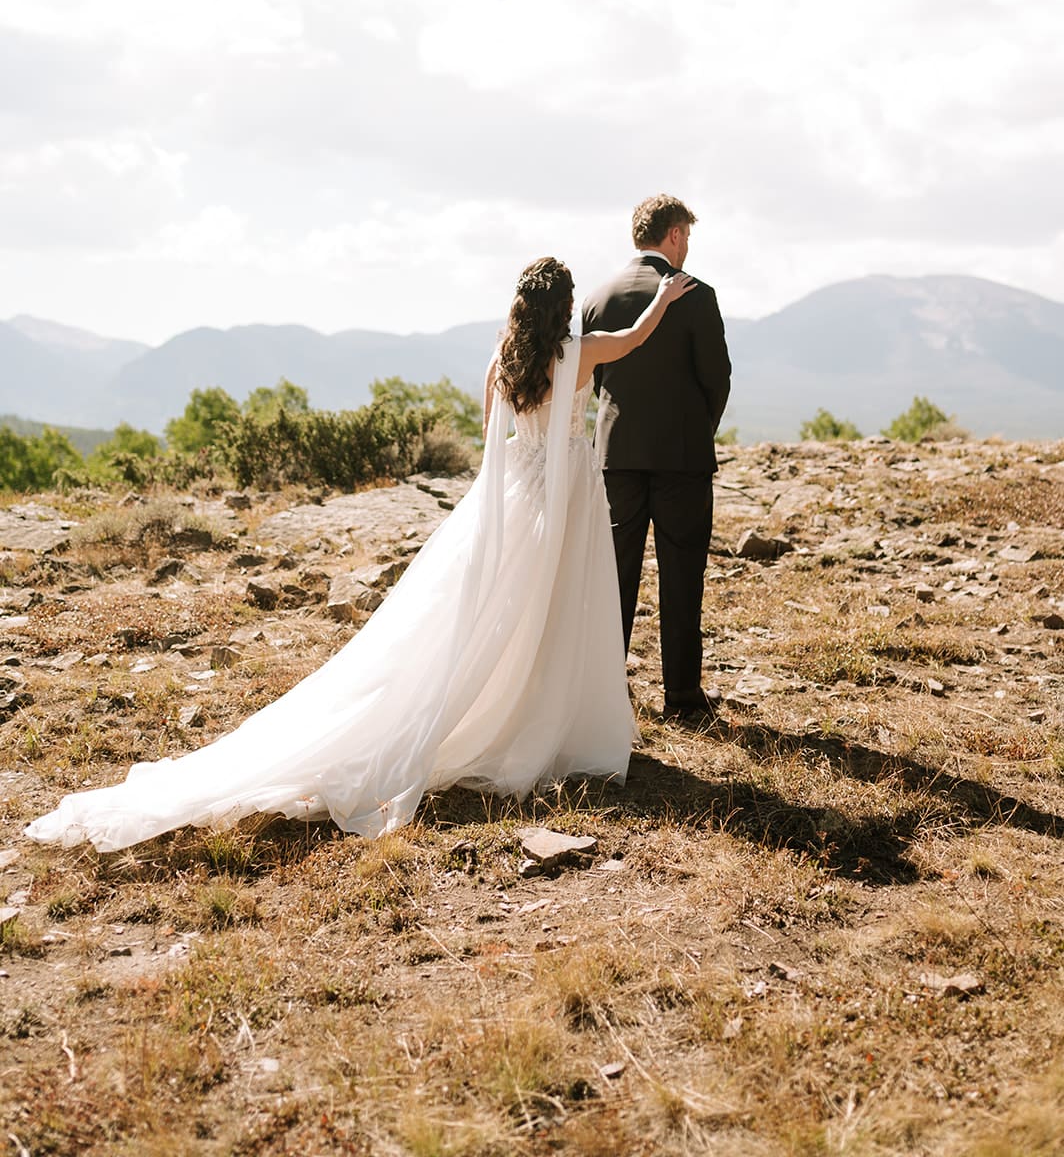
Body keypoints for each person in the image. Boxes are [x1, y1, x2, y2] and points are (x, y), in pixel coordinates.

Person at [26, 257, 694, 853]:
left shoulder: (504, 360)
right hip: (565, 503)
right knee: (548, 614)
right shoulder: (581, 352)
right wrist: (664, 294)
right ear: (562, 305)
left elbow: (490, 428)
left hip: (515, 498)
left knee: (496, 610)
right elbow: (636, 338)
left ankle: (520, 713)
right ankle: (538, 720)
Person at [582, 196, 731, 721]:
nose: (687, 247)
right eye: (686, 236)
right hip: (682, 459)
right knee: (682, 576)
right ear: (673, 235)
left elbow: (598, 378)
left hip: (616, 456)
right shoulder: (696, 296)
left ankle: (603, 695)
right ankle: (683, 700)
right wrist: (697, 430)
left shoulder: (598, 298)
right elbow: (717, 379)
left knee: (613, 577)